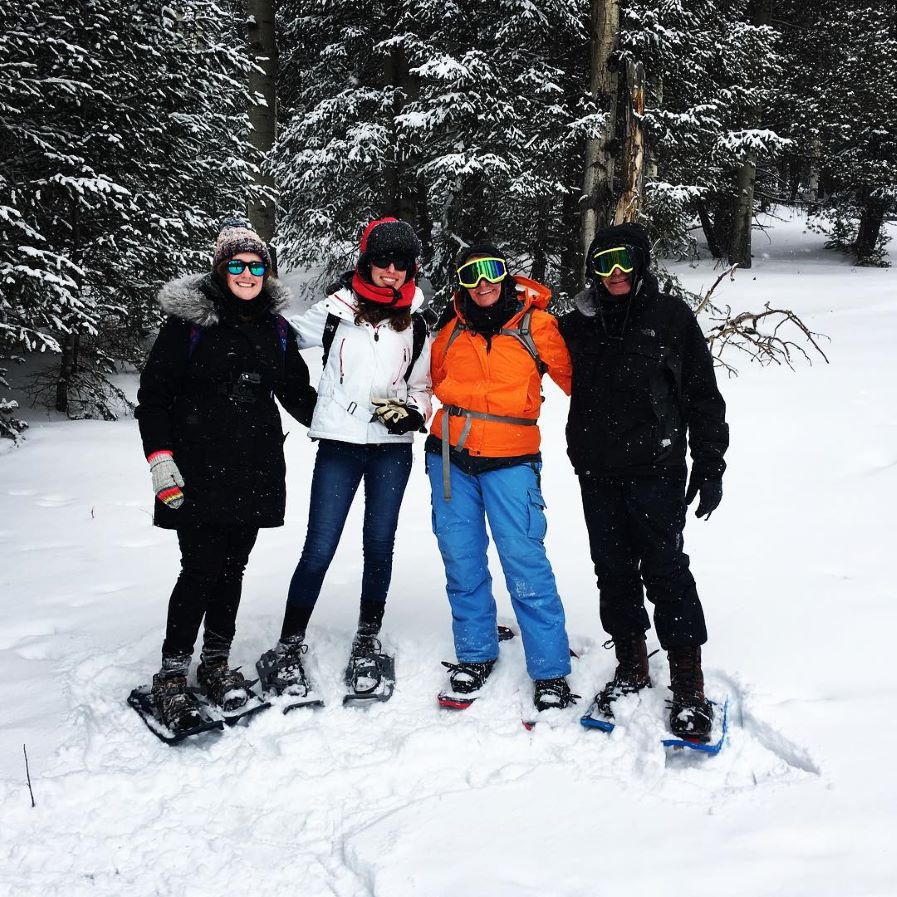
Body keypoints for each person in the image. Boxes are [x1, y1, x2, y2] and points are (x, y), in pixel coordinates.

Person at [134, 217, 317, 736]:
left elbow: (298, 396)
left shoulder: (276, 330)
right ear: (220, 269)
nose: (246, 273)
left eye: (256, 265)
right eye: (236, 265)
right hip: (194, 468)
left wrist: (350, 421)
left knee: (232, 568)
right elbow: (154, 399)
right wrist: (159, 458)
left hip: (254, 466)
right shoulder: (188, 326)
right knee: (200, 567)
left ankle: (215, 661)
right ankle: (172, 672)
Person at [559, 222, 728, 742]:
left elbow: (702, 394)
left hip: (655, 469)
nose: (614, 274)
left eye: (624, 262)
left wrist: (711, 460)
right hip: (596, 470)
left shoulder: (671, 318)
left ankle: (688, 684)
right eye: (603, 263)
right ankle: (631, 665)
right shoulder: (577, 324)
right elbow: (520, 336)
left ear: (641, 264)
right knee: (611, 570)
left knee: (665, 570)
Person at [256, 217, 432, 700]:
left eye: (401, 263)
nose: (391, 271)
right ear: (366, 261)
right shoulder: (334, 310)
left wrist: (413, 413)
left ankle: (368, 636)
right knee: (319, 547)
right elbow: (279, 342)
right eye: (382, 261)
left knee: (379, 544)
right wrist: (312, 404)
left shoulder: (417, 320)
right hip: (338, 444)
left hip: (391, 451)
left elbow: (423, 384)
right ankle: (290, 643)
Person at [426, 244, 576, 712]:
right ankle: (474, 653)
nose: (483, 283)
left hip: (511, 461)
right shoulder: (450, 333)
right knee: (462, 559)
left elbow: (581, 382)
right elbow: (426, 384)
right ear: (462, 283)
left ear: (506, 275)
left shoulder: (538, 327)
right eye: (472, 275)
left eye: (492, 271)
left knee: (524, 561)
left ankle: (550, 670)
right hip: (450, 460)